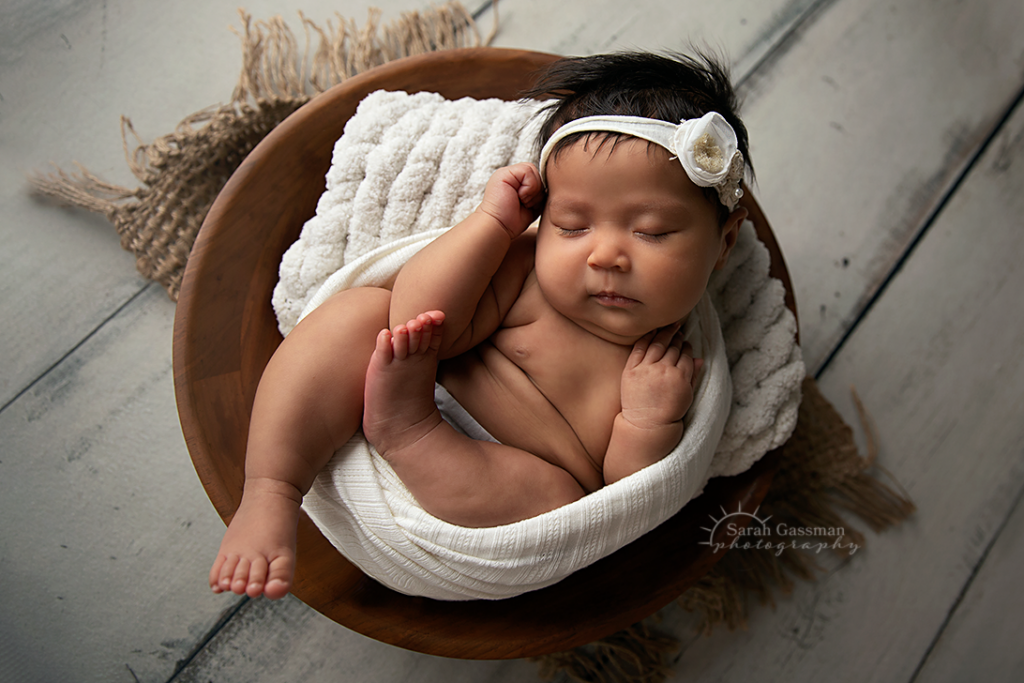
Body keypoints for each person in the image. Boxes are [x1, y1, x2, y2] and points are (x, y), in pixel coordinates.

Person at [210, 50, 751, 600]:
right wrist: (491, 225)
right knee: (362, 316)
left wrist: (647, 421)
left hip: (481, 489)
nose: (605, 255)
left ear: (723, 244)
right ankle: (270, 491)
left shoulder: (670, 369)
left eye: (652, 232)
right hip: (418, 380)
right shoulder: (525, 269)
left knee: (559, 503)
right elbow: (419, 319)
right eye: (572, 225)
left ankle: (406, 431)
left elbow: (626, 497)